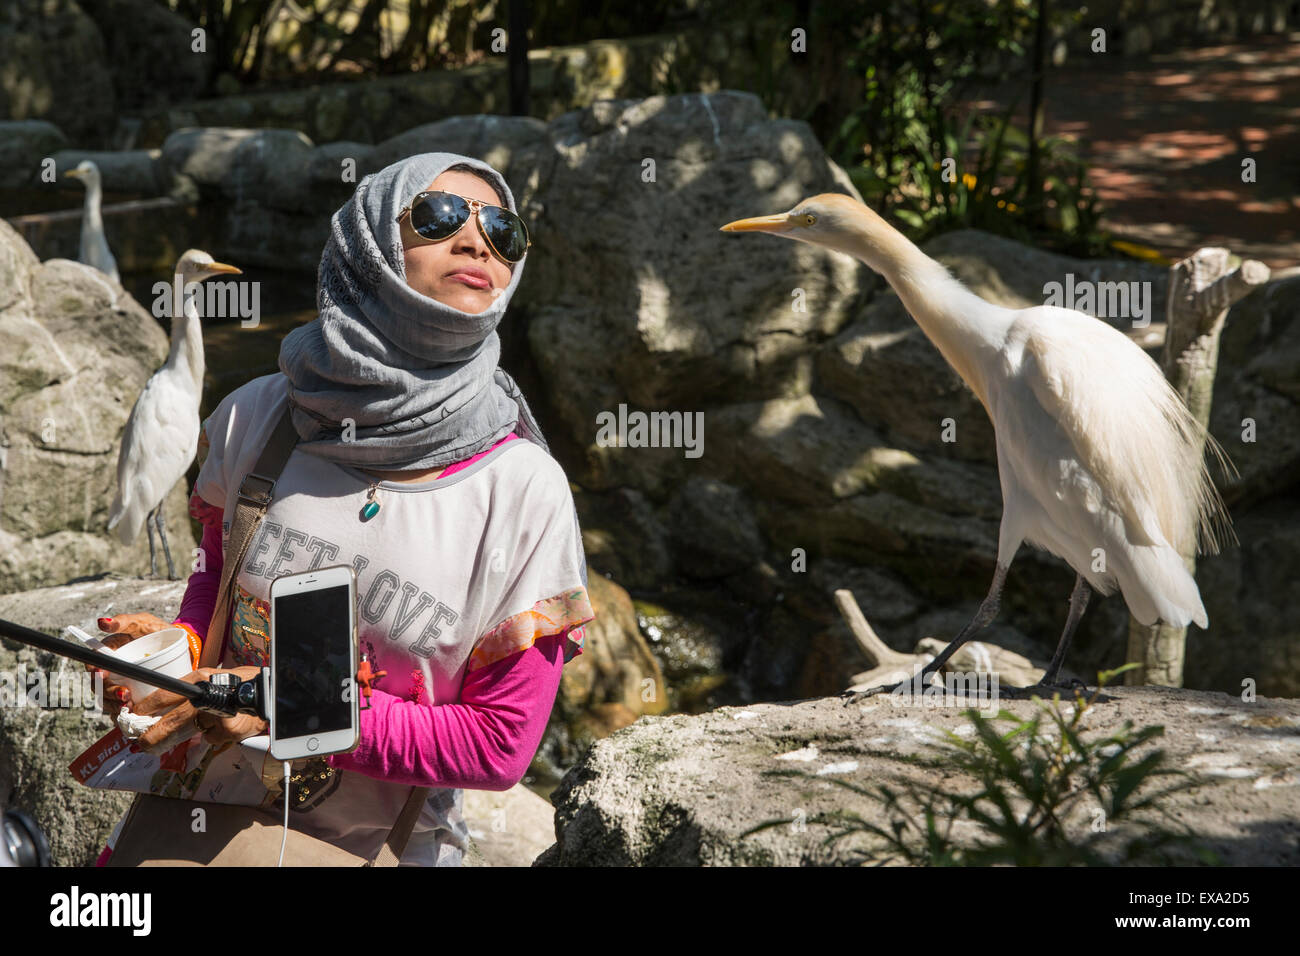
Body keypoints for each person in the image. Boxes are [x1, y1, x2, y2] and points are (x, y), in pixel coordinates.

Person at [90, 152, 595, 866]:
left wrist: (282, 703)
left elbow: (499, 745)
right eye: (439, 216)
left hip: (376, 850)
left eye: (503, 231)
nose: (477, 241)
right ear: (369, 244)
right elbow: (216, 581)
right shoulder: (258, 418)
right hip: (192, 831)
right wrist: (176, 656)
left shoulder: (523, 491)